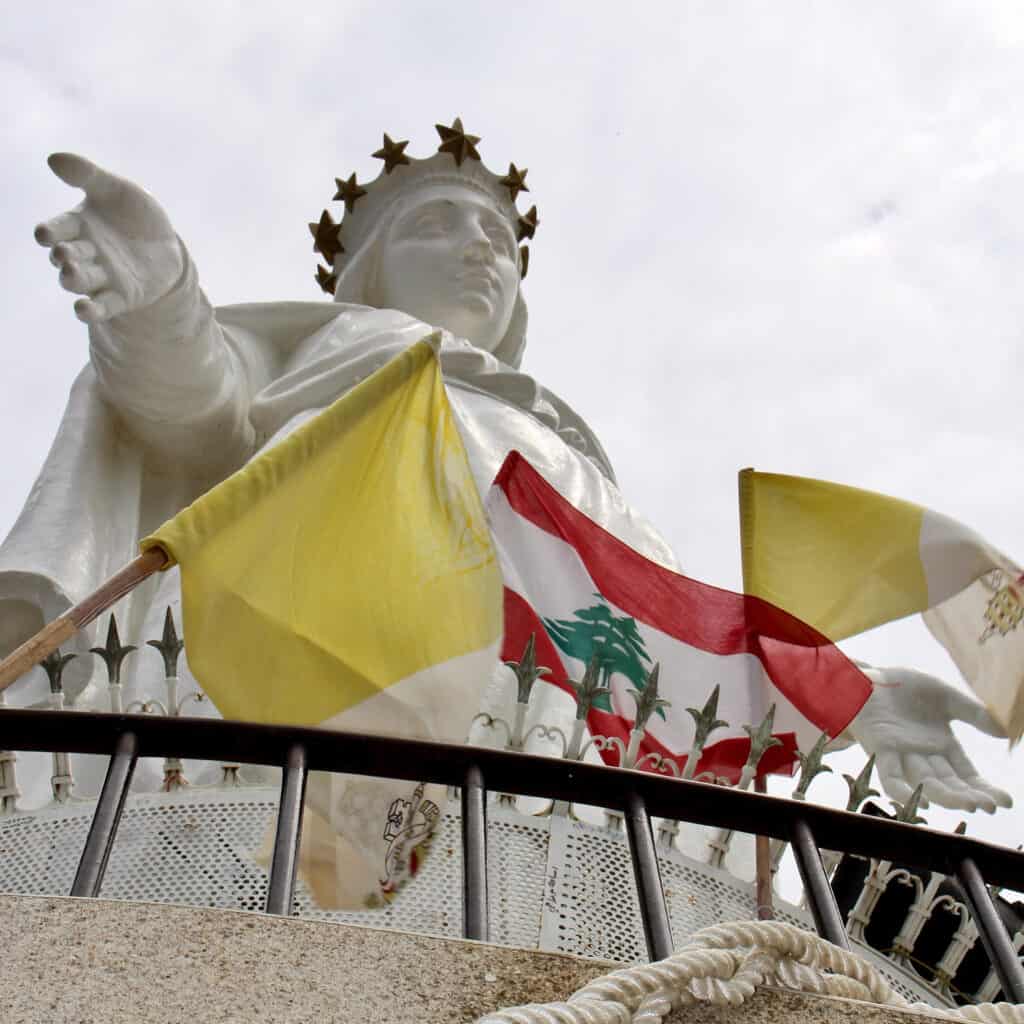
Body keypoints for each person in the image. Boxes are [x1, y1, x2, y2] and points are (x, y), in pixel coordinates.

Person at [2, 123, 1011, 815]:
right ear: (371, 267)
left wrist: (849, 693)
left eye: (496, 236)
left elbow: (642, 641)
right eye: (434, 226)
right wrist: (157, 296)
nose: (478, 250)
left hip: (541, 780)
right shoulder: (326, 347)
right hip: (280, 703)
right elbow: (190, 406)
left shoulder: (570, 463)